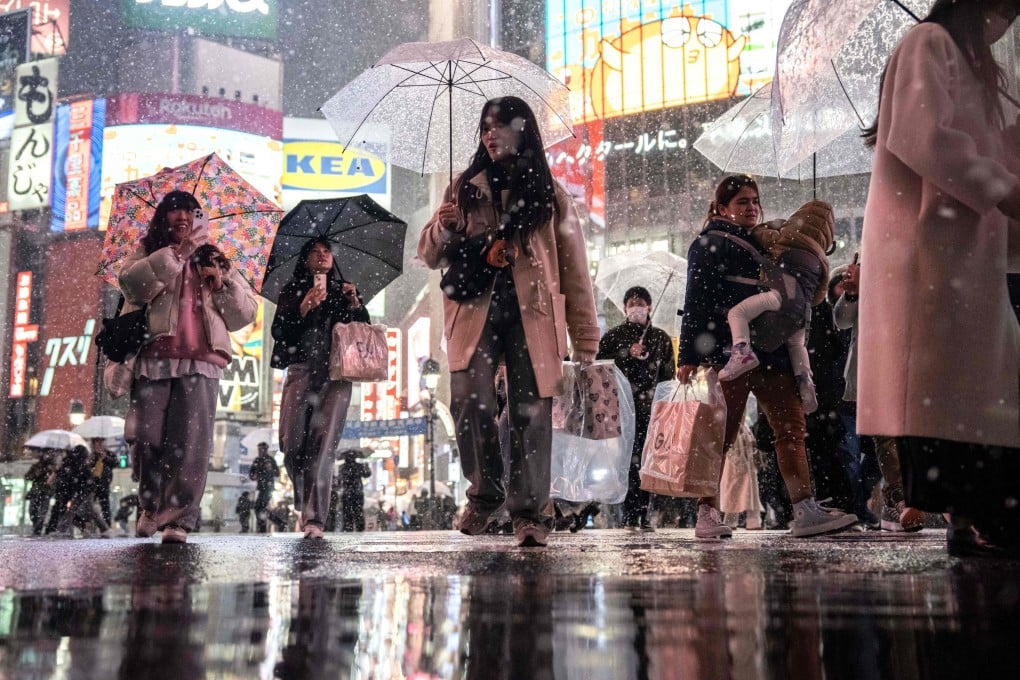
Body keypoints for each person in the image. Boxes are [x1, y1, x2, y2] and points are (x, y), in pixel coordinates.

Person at [859, 0, 1020, 557]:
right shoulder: (928, 44)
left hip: (965, 255)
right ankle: (974, 515)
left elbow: (984, 152)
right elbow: (924, 136)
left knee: (972, 392)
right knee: (952, 393)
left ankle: (974, 516)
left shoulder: (972, 65)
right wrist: (1002, 187)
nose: (1007, 21)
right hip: (932, 256)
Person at [417, 96, 600, 547]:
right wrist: (445, 226)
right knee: (468, 398)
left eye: (499, 126)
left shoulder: (549, 194)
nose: (490, 135)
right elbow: (428, 255)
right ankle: (485, 493)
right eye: (484, 128)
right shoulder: (462, 188)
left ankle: (529, 513)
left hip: (532, 313)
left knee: (531, 410)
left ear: (523, 131)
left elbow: (574, 269)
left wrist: (586, 337)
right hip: (474, 311)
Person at [678, 174, 858, 539]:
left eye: (755, 200)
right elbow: (694, 299)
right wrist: (687, 354)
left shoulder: (768, 241)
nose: (752, 208)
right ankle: (706, 511)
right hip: (732, 353)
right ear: (722, 207)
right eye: (742, 201)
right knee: (721, 434)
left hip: (773, 352)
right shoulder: (710, 243)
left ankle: (804, 508)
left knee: (790, 430)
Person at [120, 190, 258, 544]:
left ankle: (177, 519)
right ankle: (150, 504)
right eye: (175, 210)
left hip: (202, 360)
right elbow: (133, 285)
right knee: (146, 438)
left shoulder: (217, 258)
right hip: (154, 357)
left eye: (190, 211)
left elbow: (245, 315)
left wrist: (222, 283)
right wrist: (176, 255)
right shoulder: (149, 251)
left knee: (191, 442)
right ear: (163, 217)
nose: (183, 217)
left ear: (200, 219)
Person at [271, 238, 369, 539]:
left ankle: (315, 518)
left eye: (326, 251)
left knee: (324, 445)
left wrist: (355, 304)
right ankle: (303, 495)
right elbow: (279, 331)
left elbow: (362, 331)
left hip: (337, 374)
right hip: (301, 370)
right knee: (291, 443)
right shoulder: (293, 291)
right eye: (315, 251)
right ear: (306, 260)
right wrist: (303, 307)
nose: (322, 255)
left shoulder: (345, 291)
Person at [717, 200, 836, 416]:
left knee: (738, 313)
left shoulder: (785, 237)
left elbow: (758, 234)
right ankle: (805, 380)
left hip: (779, 296)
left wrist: (776, 225)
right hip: (803, 309)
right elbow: (819, 295)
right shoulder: (822, 260)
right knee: (796, 345)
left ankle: (742, 352)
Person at [832, 260, 925, 532]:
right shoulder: (865, 280)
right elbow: (841, 320)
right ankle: (900, 498)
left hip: (908, 366)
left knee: (907, 436)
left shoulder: (906, 274)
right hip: (874, 369)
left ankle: (905, 497)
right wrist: (852, 292)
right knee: (885, 436)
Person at [596, 285, 676, 531]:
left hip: (651, 411)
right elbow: (600, 364)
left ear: (649, 306)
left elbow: (668, 375)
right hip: (621, 409)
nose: (636, 307)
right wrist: (626, 353)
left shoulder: (661, 338)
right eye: (631, 303)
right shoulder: (614, 336)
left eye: (640, 302)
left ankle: (642, 511)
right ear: (624, 308)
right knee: (627, 461)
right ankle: (630, 513)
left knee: (646, 462)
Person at [24, 450, 59, 536]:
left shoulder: (53, 467)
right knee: (32, 511)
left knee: (42, 513)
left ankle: (37, 530)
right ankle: (36, 527)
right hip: (35, 492)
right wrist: (36, 474)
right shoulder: (36, 466)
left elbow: (55, 480)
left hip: (46, 492)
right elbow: (27, 476)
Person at [248, 442, 280, 534]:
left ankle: (264, 526)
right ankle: (266, 525)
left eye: (263, 449)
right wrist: (253, 476)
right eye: (259, 449)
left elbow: (277, 473)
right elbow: (251, 473)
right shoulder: (257, 460)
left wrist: (270, 469)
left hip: (269, 487)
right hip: (261, 487)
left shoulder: (270, 460)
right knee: (259, 507)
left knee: (260, 507)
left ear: (266, 449)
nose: (261, 451)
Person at [337, 449, 371, 532]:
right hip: (357, 492)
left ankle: (349, 527)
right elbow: (367, 474)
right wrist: (366, 467)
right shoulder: (359, 466)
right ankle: (359, 527)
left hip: (347, 493)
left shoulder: (342, 467)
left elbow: (339, 481)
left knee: (348, 512)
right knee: (358, 511)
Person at [90, 438, 117, 526]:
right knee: (89, 507)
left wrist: (105, 457)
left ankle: (106, 527)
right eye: (97, 442)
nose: (100, 444)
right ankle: (89, 525)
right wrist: (93, 459)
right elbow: (87, 467)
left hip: (104, 484)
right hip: (92, 484)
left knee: (105, 507)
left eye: (102, 442)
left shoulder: (109, 453)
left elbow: (115, 463)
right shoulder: (91, 454)